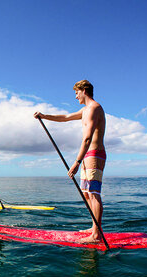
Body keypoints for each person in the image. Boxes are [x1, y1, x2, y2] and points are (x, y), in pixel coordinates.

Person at [34, 80, 106, 243]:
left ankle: (96, 235)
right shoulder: (85, 110)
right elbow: (65, 117)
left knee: (94, 194)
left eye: (76, 92)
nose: (75, 96)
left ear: (84, 91)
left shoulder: (94, 108)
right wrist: (44, 116)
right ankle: (94, 226)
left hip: (95, 154)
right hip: (88, 155)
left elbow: (87, 138)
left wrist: (76, 162)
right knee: (86, 193)